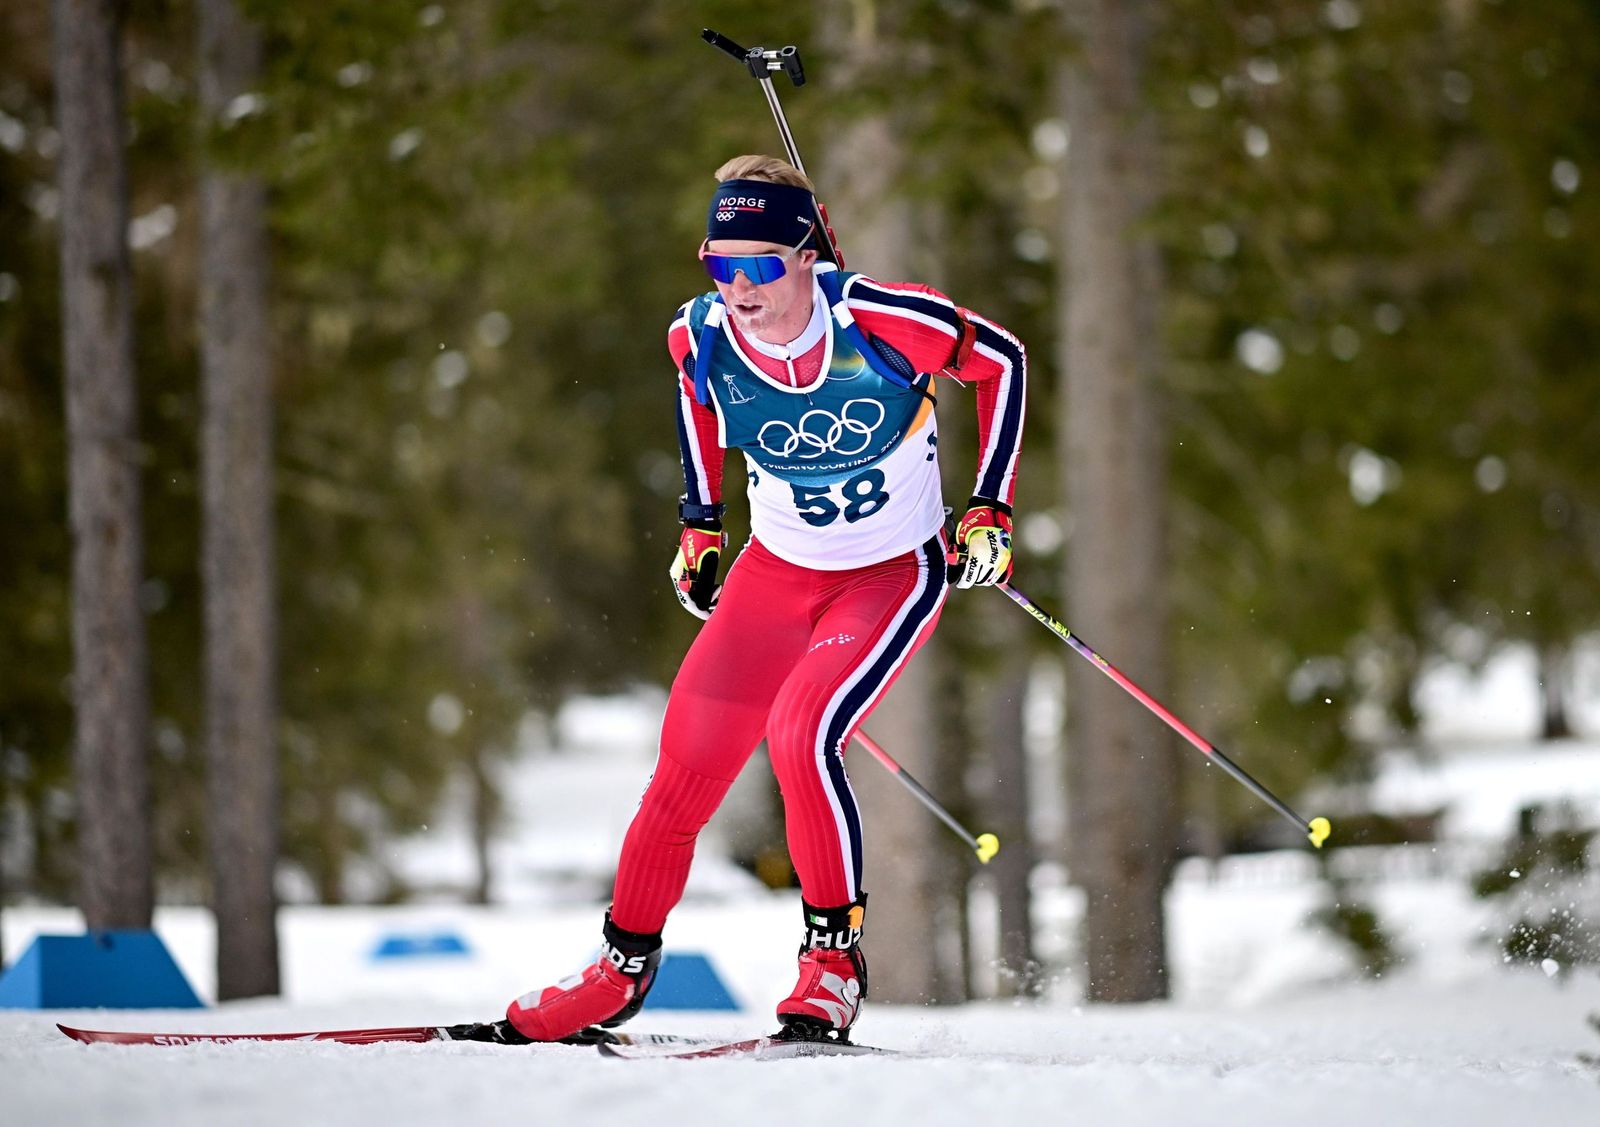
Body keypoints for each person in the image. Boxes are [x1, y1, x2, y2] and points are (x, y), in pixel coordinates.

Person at [505, 154, 1026, 1044]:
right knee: (683, 768)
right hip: (775, 574)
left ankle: (832, 965)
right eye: (720, 263)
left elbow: (1003, 361)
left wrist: (989, 504)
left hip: (887, 573)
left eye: (759, 266)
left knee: (801, 733)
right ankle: (619, 968)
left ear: (806, 256)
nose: (738, 286)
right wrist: (699, 526)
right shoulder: (700, 334)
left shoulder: (887, 319)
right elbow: (696, 410)